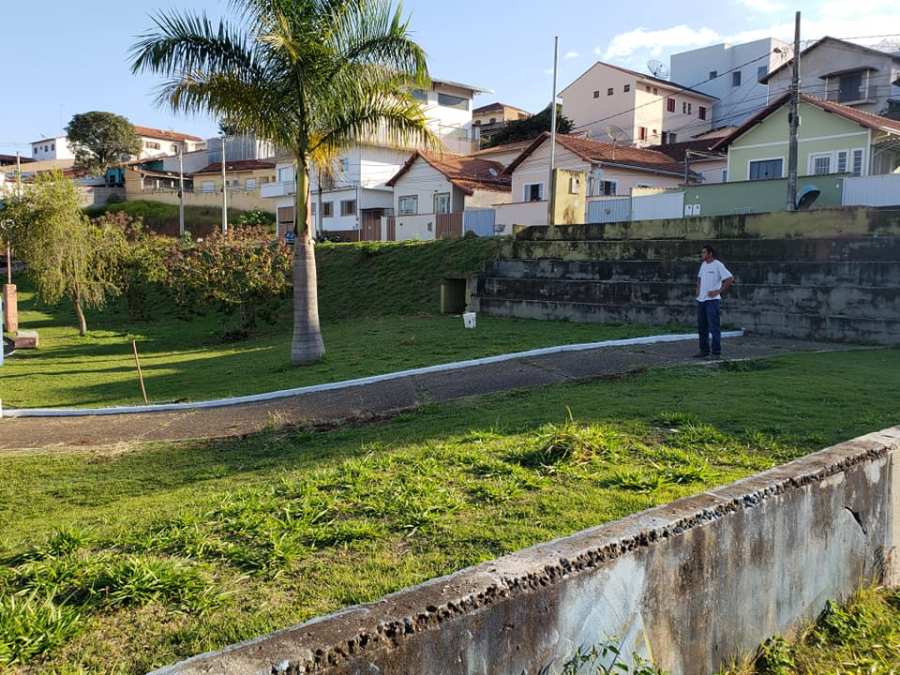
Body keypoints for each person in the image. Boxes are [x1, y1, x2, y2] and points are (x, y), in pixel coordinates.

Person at [695, 244, 734, 359]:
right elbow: (699, 278)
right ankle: (704, 350)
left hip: (712, 301)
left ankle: (716, 353)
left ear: (710, 253)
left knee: (714, 327)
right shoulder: (703, 264)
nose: (702, 255)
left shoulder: (718, 265)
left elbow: (730, 278)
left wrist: (718, 291)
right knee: (702, 327)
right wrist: (698, 289)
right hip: (701, 300)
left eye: (704, 252)